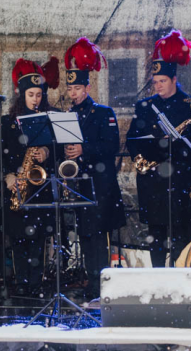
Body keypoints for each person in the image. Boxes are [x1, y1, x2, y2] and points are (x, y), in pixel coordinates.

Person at [125, 30, 191, 267]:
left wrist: (176, 148)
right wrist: (143, 156)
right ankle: (158, 275)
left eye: (162, 82)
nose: (158, 86)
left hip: (180, 177)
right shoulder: (144, 106)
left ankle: (180, 274)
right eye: (155, 82)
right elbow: (132, 138)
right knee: (156, 233)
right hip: (152, 178)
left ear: (174, 80)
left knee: (182, 229)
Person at [62, 38, 125, 299]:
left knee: (99, 237)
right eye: (70, 88)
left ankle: (102, 286)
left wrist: (83, 149)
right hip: (80, 184)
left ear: (87, 87)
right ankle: (92, 282)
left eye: (78, 88)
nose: (73, 93)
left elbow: (112, 146)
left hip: (100, 185)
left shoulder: (103, 112)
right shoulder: (67, 114)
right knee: (85, 235)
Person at [0, 57, 60, 294]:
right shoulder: (8, 122)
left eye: (39, 95)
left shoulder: (52, 118)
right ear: (22, 96)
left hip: (40, 189)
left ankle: (36, 282)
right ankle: (21, 283)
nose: (35, 99)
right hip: (16, 187)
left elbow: (63, 150)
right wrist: (7, 176)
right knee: (18, 238)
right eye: (31, 95)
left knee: (39, 239)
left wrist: (47, 151)